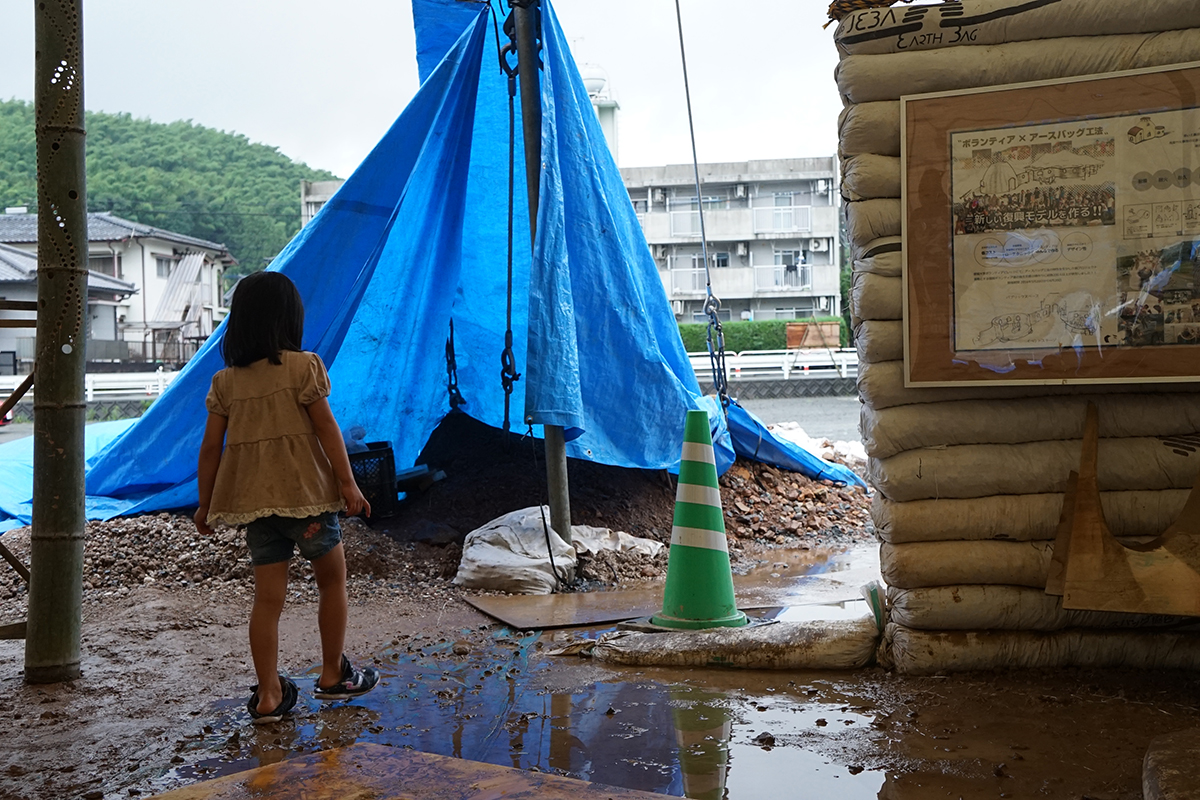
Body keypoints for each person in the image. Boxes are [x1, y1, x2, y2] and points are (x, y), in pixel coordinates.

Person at [194, 271, 378, 724]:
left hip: (257, 511)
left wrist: (204, 503)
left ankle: (269, 696)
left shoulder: (226, 382)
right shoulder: (304, 367)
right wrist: (348, 483)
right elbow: (327, 428)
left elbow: (210, 448)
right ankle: (333, 674)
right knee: (332, 581)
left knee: (267, 601)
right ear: (288, 320)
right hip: (308, 502)